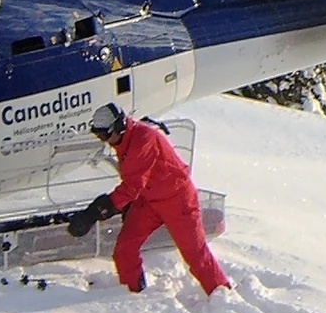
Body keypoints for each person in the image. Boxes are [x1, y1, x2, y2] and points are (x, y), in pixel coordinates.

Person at [66, 103, 230, 295]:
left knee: (195, 254)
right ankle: (133, 293)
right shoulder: (123, 139)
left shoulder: (142, 141)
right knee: (125, 248)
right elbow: (135, 185)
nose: (106, 141)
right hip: (148, 200)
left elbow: (131, 187)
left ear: (119, 127)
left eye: (106, 135)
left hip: (177, 200)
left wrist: (93, 213)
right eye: (100, 136)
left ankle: (222, 294)